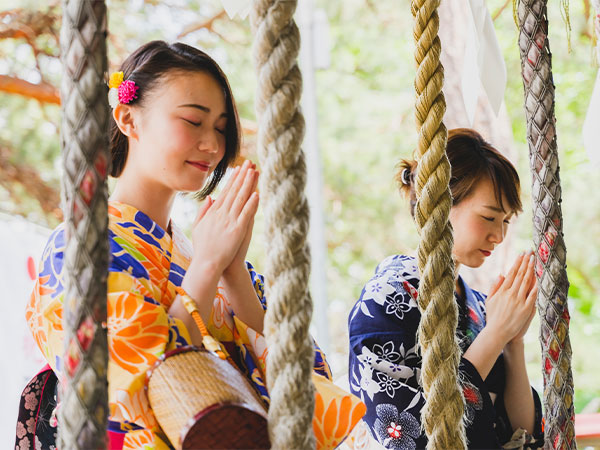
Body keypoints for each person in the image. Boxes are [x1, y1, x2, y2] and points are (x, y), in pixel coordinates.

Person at [19, 41, 364, 449]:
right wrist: (205, 267)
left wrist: (233, 275)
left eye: (220, 127)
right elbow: (129, 385)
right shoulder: (76, 249)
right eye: (193, 121)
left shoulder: (200, 246)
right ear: (128, 118)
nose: (213, 145)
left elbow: (302, 373)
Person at [347, 128, 544, 449]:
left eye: (506, 221)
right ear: (440, 205)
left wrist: (513, 341)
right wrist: (494, 335)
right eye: (489, 217)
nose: (499, 235)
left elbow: (521, 432)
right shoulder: (385, 299)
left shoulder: (479, 304)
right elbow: (404, 431)